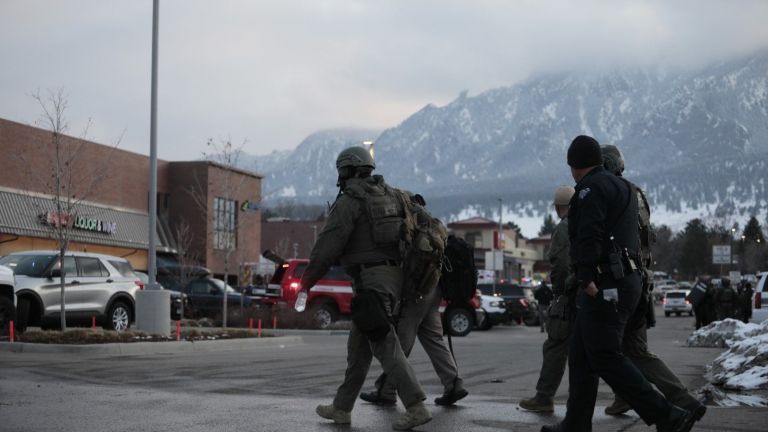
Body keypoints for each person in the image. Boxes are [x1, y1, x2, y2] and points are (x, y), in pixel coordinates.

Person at [542, 135, 695, 432]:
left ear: (574, 165)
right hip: (629, 279)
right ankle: (575, 423)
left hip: (602, 283)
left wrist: (586, 278)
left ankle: (668, 415)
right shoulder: (625, 188)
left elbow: (589, 235)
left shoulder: (588, 189)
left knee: (606, 356)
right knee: (581, 354)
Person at [301, 146, 431, 430]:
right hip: (393, 279)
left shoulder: (352, 201)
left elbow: (326, 248)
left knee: (384, 344)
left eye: (341, 172)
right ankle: (342, 407)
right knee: (359, 348)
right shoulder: (393, 195)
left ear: (347, 171)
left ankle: (416, 406)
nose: (340, 178)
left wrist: (306, 282)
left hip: (371, 282)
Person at [599, 145, 706, 421]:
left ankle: (678, 401)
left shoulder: (611, 194)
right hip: (641, 283)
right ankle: (624, 397)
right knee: (630, 349)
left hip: (620, 283)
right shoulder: (636, 194)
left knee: (609, 349)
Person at [359, 194, 468, 408]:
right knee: (434, 339)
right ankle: (453, 383)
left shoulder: (407, 226)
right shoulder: (435, 225)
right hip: (434, 289)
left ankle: (386, 390)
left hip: (416, 292)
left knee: (401, 343)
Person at [519, 185, 575, 413]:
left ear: (558, 207)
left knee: (554, 346)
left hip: (570, 296)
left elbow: (561, 264)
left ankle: (544, 398)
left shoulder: (564, 228)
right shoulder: (590, 222)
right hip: (591, 296)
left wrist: (559, 293)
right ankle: (624, 396)